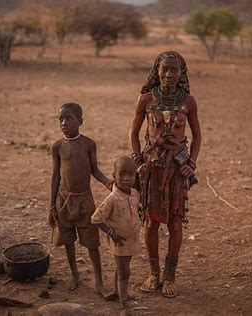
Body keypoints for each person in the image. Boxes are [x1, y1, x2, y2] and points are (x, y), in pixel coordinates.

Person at [129, 51, 202, 298]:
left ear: (182, 74)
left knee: (175, 223)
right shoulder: (146, 99)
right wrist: (138, 160)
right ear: (156, 71)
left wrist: (191, 163)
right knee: (150, 222)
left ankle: (170, 276)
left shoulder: (189, 102)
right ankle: (154, 273)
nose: (169, 74)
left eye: (174, 70)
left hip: (177, 170)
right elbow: (134, 133)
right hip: (153, 168)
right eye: (164, 69)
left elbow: (198, 136)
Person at [49, 102, 113, 295]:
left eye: (69, 118)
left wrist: (107, 182)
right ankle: (74, 274)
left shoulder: (88, 144)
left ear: (80, 121)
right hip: (63, 201)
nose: (64, 123)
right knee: (68, 240)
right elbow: (55, 177)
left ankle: (99, 282)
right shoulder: (57, 147)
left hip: (85, 200)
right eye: (60, 119)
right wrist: (51, 205)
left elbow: (94, 170)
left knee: (92, 243)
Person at [91, 156, 141, 309]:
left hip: (131, 240)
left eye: (130, 175)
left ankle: (117, 291)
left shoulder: (134, 193)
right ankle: (123, 300)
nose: (126, 178)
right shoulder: (111, 199)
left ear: (135, 176)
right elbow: (96, 219)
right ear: (114, 176)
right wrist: (111, 233)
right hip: (119, 241)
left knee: (121, 268)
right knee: (125, 272)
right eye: (122, 174)